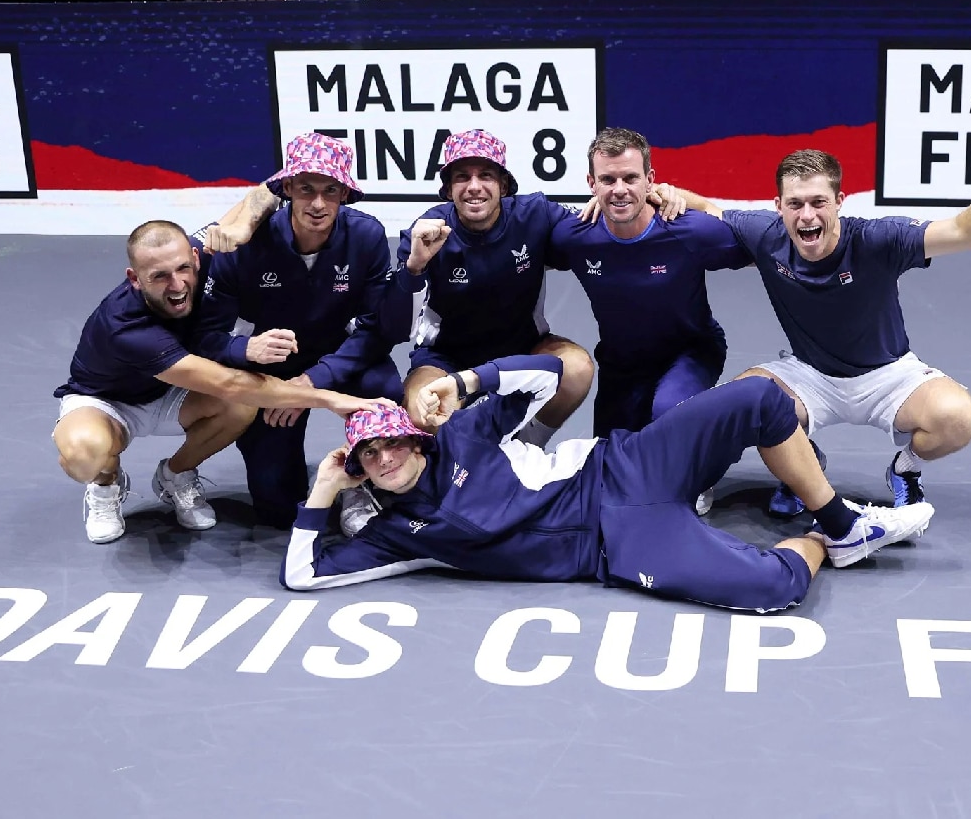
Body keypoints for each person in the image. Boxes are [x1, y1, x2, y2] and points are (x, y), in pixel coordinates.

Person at [279, 355, 936, 608]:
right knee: (769, 588)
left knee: (760, 399)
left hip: (620, 466)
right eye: (368, 456)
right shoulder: (398, 534)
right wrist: (320, 493)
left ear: (416, 437)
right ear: (359, 470)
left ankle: (847, 528)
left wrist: (466, 383)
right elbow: (304, 576)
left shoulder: (461, 434)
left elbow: (556, 373)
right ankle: (822, 545)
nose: (385, 458)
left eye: (392, 442)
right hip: (615, 545)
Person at [676, 149, 971, 516]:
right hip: (809, 375)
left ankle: (905, 470)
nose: (806, 215)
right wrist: (659, 193)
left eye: (818, 202)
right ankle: (803, 468)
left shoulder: (877, 240)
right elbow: (708, 210)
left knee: (956, 418)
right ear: (778, 206)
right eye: (795, 204)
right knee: (742, 405)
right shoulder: (764, 234)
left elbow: (961, 232)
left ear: (839, 202)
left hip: (888, 376)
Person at [53, 216, 392, 545]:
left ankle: (176, 474)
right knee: (85, 454)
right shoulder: (126, 329)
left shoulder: (201, 254)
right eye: (159, 277)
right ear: (135, 278)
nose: (176, 285)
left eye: (183, 269)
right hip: (107, 402)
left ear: (196, 257)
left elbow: (254, 202)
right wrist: (328, 397)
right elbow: (230, 383)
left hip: (171, 393)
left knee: (240, 408)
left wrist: (246, 222)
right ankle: (105, 483)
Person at [196, 132, 405, 528]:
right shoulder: (245, 245)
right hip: (268, 362)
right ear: (287, 188)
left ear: (345, 193)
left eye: (331, 190)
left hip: (337, 356)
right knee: (275, 507)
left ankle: (360, 482)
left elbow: (378, 330)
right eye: (306, 189)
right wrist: (245, 350)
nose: (318, 204)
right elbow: (206, 337)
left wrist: (311, 383)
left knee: (388, 392)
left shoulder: (367, 236)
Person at [385, 128, 597, 449]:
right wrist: (414, 265)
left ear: (503, 185)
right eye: (461, 177)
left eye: (486, 175)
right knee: (421, 411)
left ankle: (528, 445)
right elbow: (395, 325)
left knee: (577, 368)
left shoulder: (535, 214)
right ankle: (458, 473)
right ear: (448, 188)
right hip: (446, 357)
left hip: (524, 350)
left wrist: (649, 198)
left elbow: (598, 232)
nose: (474, 187)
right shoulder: (425, 232)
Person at [549, 127, 751, 437]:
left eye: (630, 178)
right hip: (621, 365)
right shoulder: (575, 237)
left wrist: (684, 197)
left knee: (669, 415)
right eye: (607, 180)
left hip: (691, 353)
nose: (619, 190)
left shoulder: (688, 230)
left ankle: (707, 454)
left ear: (650, 180)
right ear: (591, 183)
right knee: (611, 466)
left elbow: (760, 245)